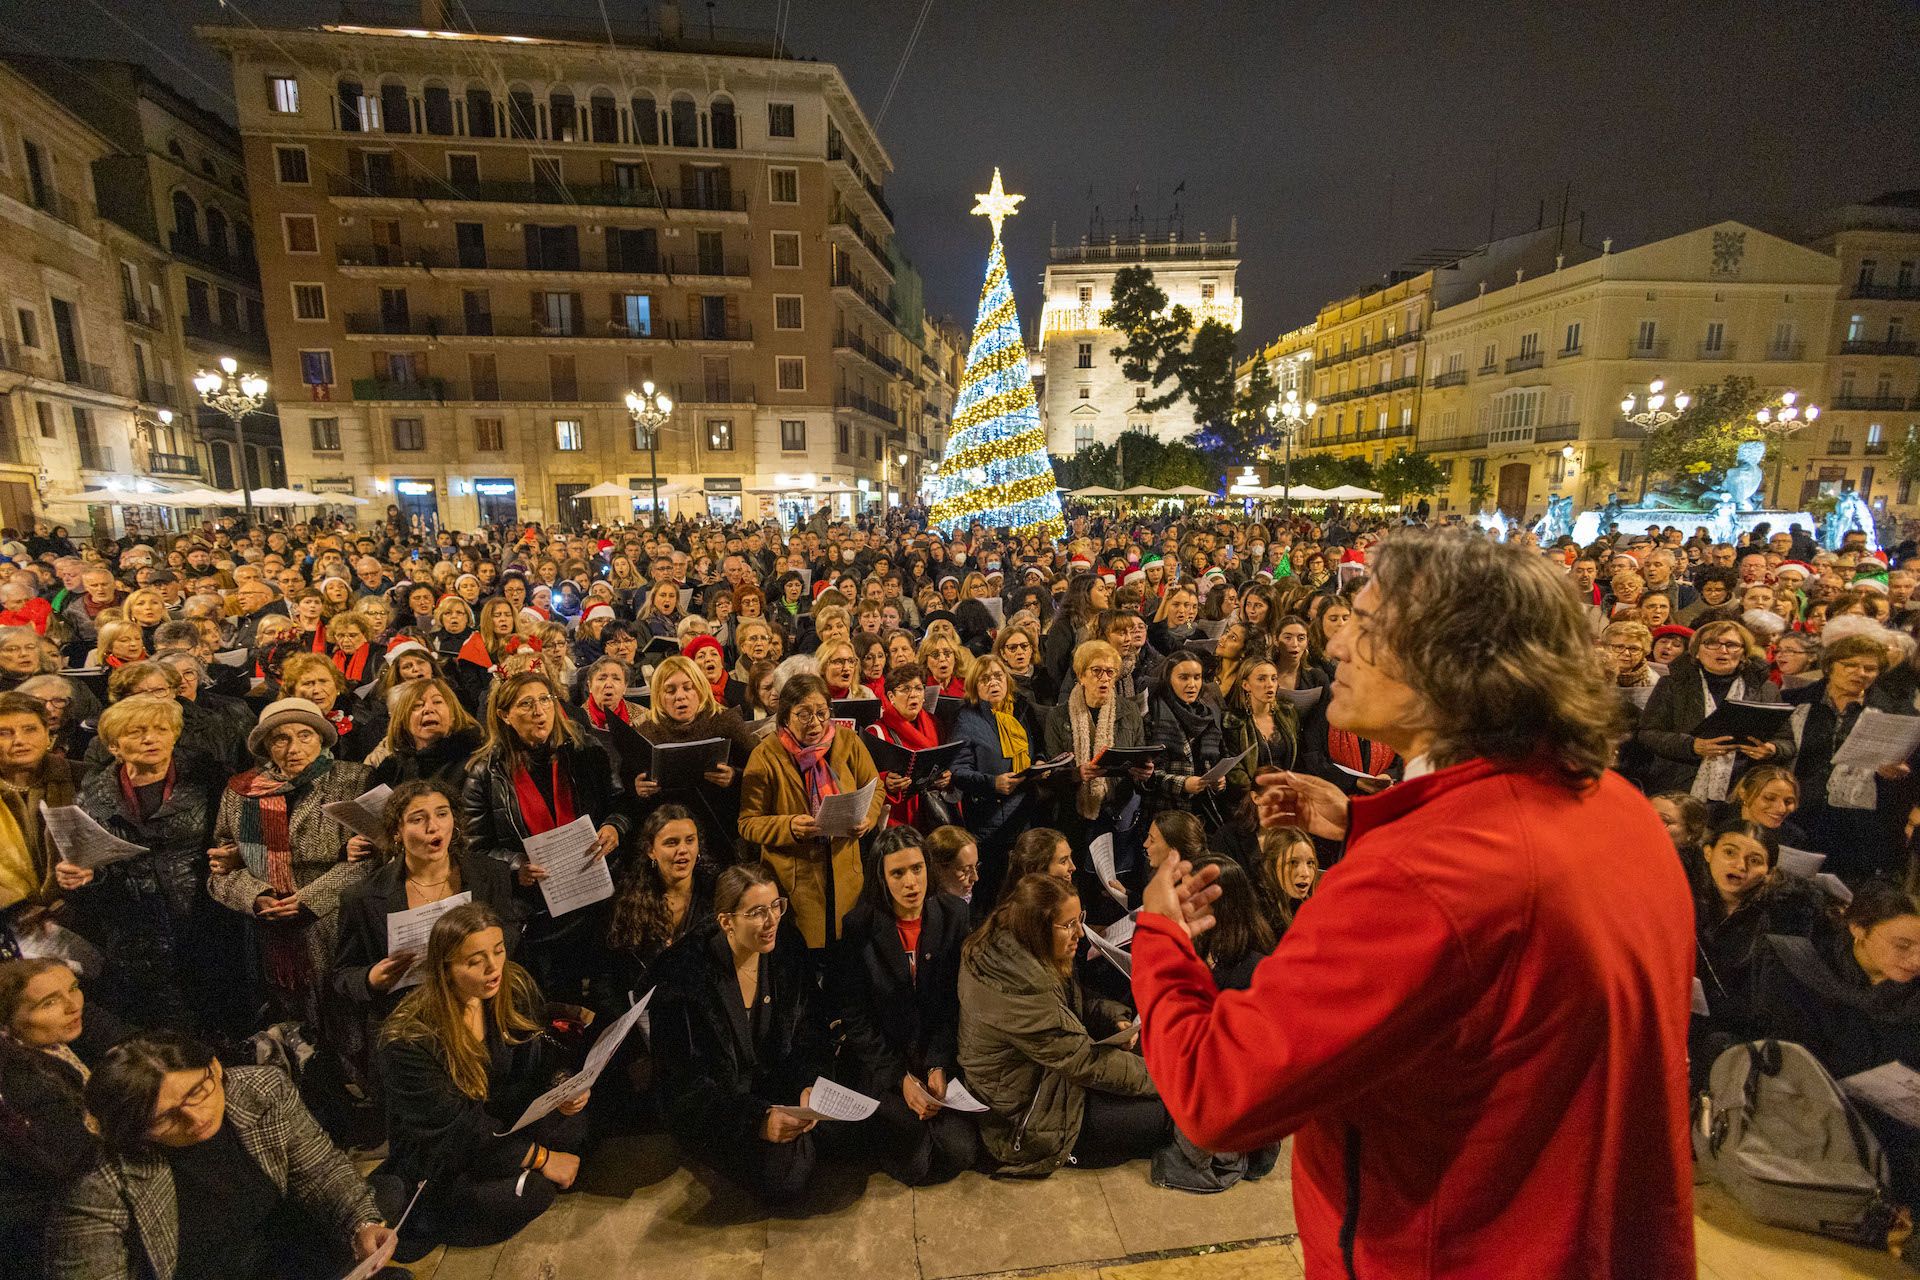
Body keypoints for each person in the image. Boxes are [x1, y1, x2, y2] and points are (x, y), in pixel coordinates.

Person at [1132, 530, 1695, 1278]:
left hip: (1450, 1251)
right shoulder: (1620, 809)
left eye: (1365, 629)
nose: (1338, 650)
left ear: (1449, 667)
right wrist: (1370, 817)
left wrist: (1163, 938)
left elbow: (1217, 1094)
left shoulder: (1416, 881)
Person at [48, 1030, 395, 1280]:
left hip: (293, 1253)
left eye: (197, 1091)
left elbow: (321, 1171)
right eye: (164, 1117)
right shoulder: (96, 1183)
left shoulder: (259, 1090)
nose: (196, 1118)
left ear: (214, 1068)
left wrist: (361, 1223)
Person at [376, 902, 588, 1252]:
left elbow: (542, 1058)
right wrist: (543, 1158)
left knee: (578, 1125)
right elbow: (457, 1132)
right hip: (449, 1153)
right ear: (445, 969)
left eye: (499, 951)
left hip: (501, 1123)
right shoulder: (409, 1039)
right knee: (533, 1191)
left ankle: (519, 1166)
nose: (493, 968)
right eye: (475, 961)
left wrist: (562, 1085)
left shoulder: (513, 985)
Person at [650, 864, 841, 1205]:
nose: (771, 922)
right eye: (756, 912)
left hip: (779, 1089)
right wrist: (758, 1121)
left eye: (775, 907)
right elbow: (683, 1084)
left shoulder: (786, 947)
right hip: (724, 1110)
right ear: (726, 922)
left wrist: (809, 1085)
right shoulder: (683, 973)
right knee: (784, 1179)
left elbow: (810, 1031)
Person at [957, 872, 1168, 1176]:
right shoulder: (1019, 984)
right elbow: (1084, 1061)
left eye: (1078, 919)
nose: (1080, 933)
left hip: (1048, 1082)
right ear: (1036, 926)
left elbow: (1070, 1008)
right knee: (1170, 1110)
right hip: (1030, 1121)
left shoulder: (1014, 947)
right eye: (1068, 925)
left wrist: (1112, 1017)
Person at [209, 697, 375, 1043]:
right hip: (266, 930)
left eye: (305, 735)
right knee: (287, 1025)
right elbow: (220, 867)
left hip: (332, 920)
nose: (294, 748)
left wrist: (308, 899)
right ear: (266, 746)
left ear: (322, 739)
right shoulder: (243, 790)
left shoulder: (354, 780)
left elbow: (370, 860)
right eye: (281, 738)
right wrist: (255, 896)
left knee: (344, 1019)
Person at [64, 696, 230, 1032]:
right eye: (136, 732)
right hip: (134, 930)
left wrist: (233, 852)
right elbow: (97, 871)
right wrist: (84, 875)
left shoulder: (209, 779)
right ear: (114, 745)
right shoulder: (92, 794)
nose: (150, 738)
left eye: (160, 729)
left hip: (205, 916)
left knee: (217, 1014)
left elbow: (231, 833)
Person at [462, 671, 627, 1000]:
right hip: (537, 907)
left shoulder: (585, 751)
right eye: (526, 704)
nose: (539, 710)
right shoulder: (485, 773)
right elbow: (476, 849)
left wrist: (614, 827)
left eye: (545, 700)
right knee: (556, 1001)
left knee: (608, 995)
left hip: (596, 890)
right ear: (504, 715)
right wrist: (515, 866)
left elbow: (620, 805)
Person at [1752, 880, 1920, 1202]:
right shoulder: (1806, 966)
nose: (1915, 960)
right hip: (1809, 1115)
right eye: (1903, 945)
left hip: (1893, 1130)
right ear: (1859, 928)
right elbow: (1783, 1053)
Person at [828, 827, 979, 1185]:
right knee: (913, 1162)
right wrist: (900, 1078)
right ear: (881, 878)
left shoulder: (954, 913)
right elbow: (857, 1017)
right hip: (885, 1056)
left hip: (935, 1050)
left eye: (916, 869)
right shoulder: (859, 925)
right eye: (897, 873)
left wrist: (939, 1064)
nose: (911, 882)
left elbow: (954, 1002)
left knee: (959, 1152)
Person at [333, 781, 519, 1030]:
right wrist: (372, 979)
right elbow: (342, 975)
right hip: (412, 1025)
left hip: (484, 1016)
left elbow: (510, 936)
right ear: (397, 831)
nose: (434, 827)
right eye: (417, 819)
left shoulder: (491, 874)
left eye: (442, 814)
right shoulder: (363, 897)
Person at [738, 673, 886, 949]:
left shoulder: (847, 741)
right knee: (803, 957)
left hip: (845, 871)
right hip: (796, 881)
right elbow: (748, 823)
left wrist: (868, 817)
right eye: (804, 714)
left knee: (845, 955)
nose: (816, 723)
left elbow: (876, 788)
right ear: (785, 716)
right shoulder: (766, 755)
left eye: (821, 712)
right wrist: (789, 826)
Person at [0, 959, 115, 1274]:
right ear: (6, 1023)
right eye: (47, 1003)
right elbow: (78, 1164)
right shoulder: (25, 1085)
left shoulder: (47, 1048)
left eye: (74, 989)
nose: (72, 1006)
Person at [1635, 620, 1792, 802]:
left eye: (1731, 645)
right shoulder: (1673, 684)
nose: (1722, 650)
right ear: (1697, 652)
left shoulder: (1766, 689)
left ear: (1743, 653)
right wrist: (1691, 745)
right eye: (1711, 643)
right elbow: (1648, 734)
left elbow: (1787, 741)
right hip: (1678, 784)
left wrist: (1771, 749)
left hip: (1740, 790)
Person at [598, 804, 715, 1018]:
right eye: (671, 843)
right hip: (643, 1019)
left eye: (690, 840)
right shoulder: (627, 902)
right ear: (651, 850)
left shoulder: (716, 897)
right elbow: (609, 977)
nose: (683, 850)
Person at [371, 676, 484, 788]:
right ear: (403, 720)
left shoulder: (475, 761)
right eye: (418, 705)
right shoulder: (392, 768)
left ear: (453, 715)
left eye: (437, 702)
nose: (428, 709)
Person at [1252, 825, 1319, 938]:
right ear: (1271, 866)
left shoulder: (1303, 906)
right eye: (1293, 862)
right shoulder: (1257, 913)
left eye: (1310, 863)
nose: (1305, 873)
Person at [924, 824, 982, 910]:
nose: (975, 878)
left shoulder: (967, 900)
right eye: (965, 870)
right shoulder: (927, 911)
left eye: (976, 866)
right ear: (938, 869)